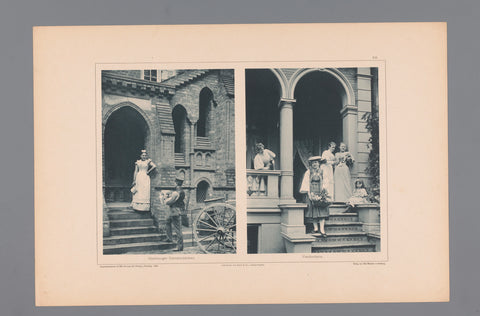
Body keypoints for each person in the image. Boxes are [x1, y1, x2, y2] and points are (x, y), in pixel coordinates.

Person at [300, 156, 331, 237]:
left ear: (319, 163)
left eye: (316, 162)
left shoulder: (322, 171)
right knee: (313, 211)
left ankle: (322, 229)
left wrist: (323, 191)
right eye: (313, 163)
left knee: (321, 211)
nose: (315, 164)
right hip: (312, 191)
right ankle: (315, 228)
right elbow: (306, 182)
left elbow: (326, 181)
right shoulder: (308, 172)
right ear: (311, 164)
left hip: (321, 191)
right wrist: (309, 193)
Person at [165, 176, 185, 251]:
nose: (174, 183)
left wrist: (165, 200)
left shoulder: (176, 192)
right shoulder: (181, 191)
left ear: (177, 183)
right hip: (175, 210)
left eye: (175, 182)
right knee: (167, 221)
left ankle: (180, 247)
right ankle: (169, 238)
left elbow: (171, 201)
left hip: (175, 211)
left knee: (178, 229)